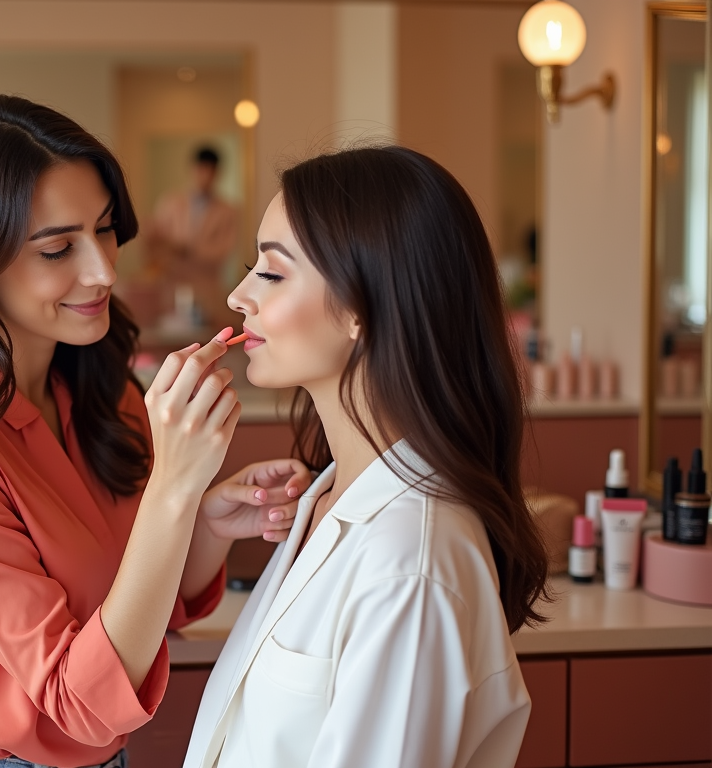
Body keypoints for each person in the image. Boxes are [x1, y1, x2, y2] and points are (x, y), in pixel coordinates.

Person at [0, 95, 309, 768]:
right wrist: (173, 486)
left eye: (106, 230)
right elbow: (77, 698)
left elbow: (139, 618)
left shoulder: (100, 392)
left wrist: (202, 522)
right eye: (58, 248)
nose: (104, 272)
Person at [184, 146, 552, 768]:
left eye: (271, 274)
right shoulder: (327, 498)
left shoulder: (410, 564)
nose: (239, 297)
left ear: (362, 305)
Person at [145, 147, 237, 326]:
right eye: (201, 169)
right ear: (193, 169)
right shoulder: (170, 202)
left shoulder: (228, 211)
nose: (205, 176)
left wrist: (185, 250)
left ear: (217, 173)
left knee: (204, 341)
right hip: (172, 286)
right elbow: (156, 244)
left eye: (210, 171)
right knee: (172, 341)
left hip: (206, 290)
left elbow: (222, 251)